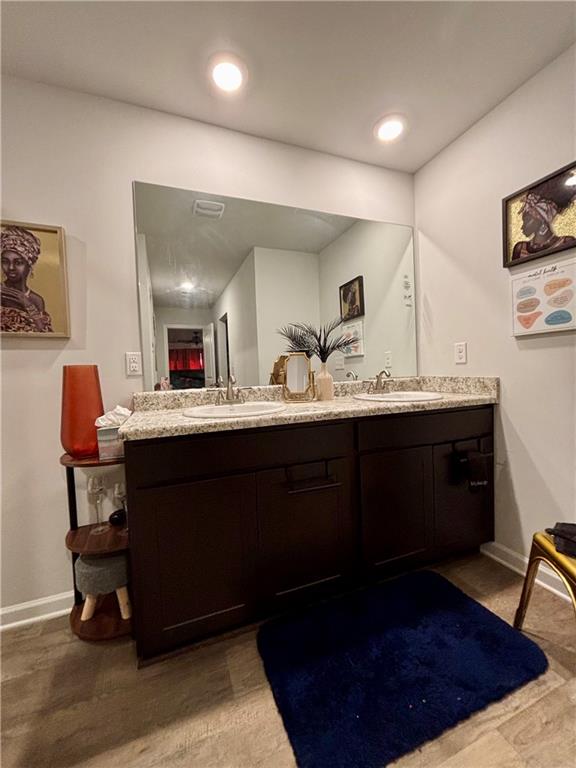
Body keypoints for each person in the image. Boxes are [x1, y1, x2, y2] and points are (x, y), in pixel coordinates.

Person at [512, 172, 576, 262]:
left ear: (542, 219)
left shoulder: (566, 242)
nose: (522, 227)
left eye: (526, 221)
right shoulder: (520, 248)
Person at [1, 225, 53, 332]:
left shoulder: (37, 300)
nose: (10, 268)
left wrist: (28, 305)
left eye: (18, 263)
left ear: (29, 265)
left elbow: (43, 333)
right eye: (5, 261)